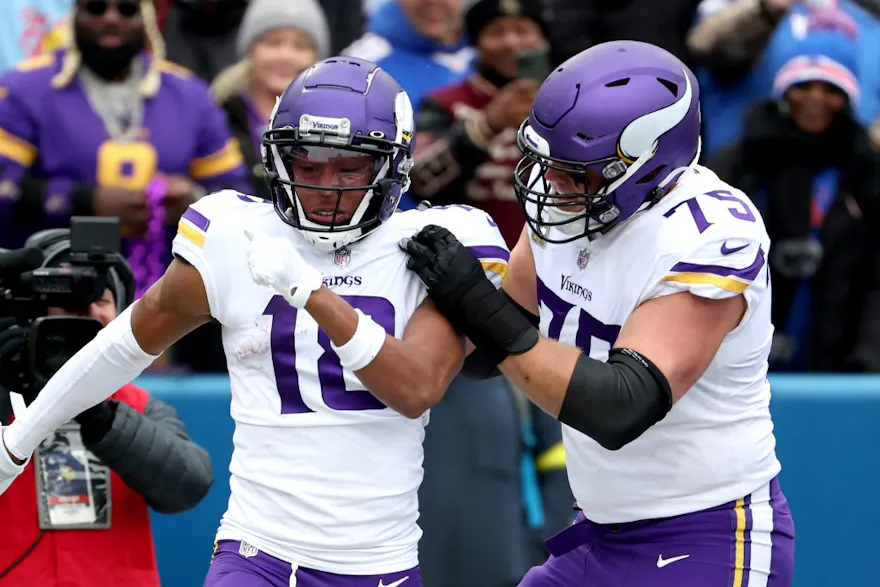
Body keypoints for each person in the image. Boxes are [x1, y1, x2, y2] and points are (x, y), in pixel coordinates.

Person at [0, 56, 510, 587]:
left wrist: (308, 292)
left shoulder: (435, 244)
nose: (323, 187)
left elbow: (415, 387)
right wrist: (19, 442)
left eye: (349, 167)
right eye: (306, 165)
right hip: (256, 552)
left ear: (392, 166)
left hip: (378, 565)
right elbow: (122, 347)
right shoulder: (233, 234)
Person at [401, 40, 795, 586]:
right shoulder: (568, 206)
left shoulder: (710, 231)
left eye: (575, 172)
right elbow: (488, 354)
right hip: (598, 530)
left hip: (704, 535)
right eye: (548, 164)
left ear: (647, 162)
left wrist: (474, 302)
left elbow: (620, 407)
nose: (553, 185)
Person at [0, 228, 212, 587]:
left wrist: (95, 411)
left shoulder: (139, 404)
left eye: (103, 300)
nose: (90, 313)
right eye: (73, 303)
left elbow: (189, 484)